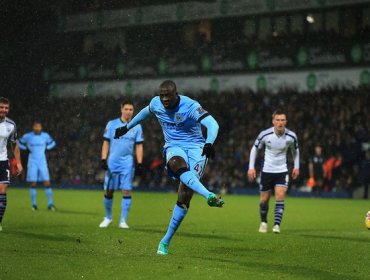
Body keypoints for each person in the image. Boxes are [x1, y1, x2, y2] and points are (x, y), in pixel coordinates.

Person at [114, 80, 224, 255]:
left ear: (176, 94)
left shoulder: (190, 106)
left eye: (168, 95)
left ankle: (165, 240)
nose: (164, 99)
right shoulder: (156, 103)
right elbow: (145, 113)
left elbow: (213, 124)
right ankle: (208, 195)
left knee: (185, 194)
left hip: (197, 147)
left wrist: (209, 143)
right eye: (162, 95)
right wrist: (127, 127)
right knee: (175, 163)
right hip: (174, 146)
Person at [247, 109, 299, 234]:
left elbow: (295, 151)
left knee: (280, 196)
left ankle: (276, 225)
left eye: (282, 120)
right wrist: (251, 167)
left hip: (282, 170)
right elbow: (254, 149)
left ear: (286, 122)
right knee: (264, 199)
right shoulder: (265, 134)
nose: (280, 122)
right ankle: (264, 222)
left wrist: (296, 167)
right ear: (273, 121)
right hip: (267, 170)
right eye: (277, 120)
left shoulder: (291, 136)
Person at [99, 100, 144, 229]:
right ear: (121, 109)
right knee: (109, 190)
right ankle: (108, 217)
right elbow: (106, 142)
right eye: (126, 109)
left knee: (126, 190)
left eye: (131, 109)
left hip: (127, 163)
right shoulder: (112, 124)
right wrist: (103, 159)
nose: (129, 112)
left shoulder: (137, 126)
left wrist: (139, 163)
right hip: (112, 161)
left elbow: (139, 146)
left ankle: (123, 220)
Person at [18, 121, 56, 211]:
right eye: (36, 126)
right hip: (32, 161)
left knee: (47, 182)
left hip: (42, 161)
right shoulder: (27, 136)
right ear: (33, 127)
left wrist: (47, 148)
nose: (37, 128)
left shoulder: (45, 136)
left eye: (39, 127)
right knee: (33, 182)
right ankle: (34, 205)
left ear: (41, 127)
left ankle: (50, 204)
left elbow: (53, 143)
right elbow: (18, 142)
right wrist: (25, 148)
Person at [0, 97, 23, 231]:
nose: (3, 110)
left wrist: (19, 163)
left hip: (2, 162)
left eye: (6, 108)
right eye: (1, 107)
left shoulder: (11, 125)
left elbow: (14, 145)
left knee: (2, 192)